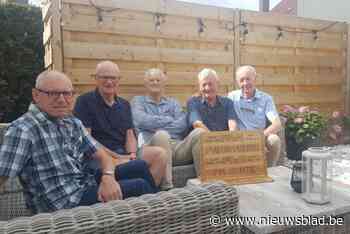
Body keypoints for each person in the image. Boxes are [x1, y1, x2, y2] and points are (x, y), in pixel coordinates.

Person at [0, 71, 158, 214]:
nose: (62, 99)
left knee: (140, 166)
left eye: (67, 93)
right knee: (139, 185)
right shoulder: (23, 130)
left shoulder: (72, 122)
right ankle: (158, 219)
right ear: (36, 95)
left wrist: (108, 177)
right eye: (53, 93)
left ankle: (154, 217)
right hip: (63, 205)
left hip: (83, 184)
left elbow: (103, 156)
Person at [73, 61, 167, 189]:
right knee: (136, 166)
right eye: (104, 77)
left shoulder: (124, 104)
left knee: (160, 155)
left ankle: (147, 196)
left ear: (118, 80)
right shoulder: (84, 101)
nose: (109, 82)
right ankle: (148, 193)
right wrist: (117, 157)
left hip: (123, 153)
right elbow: (87, 140)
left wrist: (132, 154)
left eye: (113, 78)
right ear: (96, 79)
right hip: (99, 157)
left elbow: (129, 134)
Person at [131, 68, 202, 185]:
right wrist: (169, 120)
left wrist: (155, 125)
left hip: (176, 146)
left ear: (164, 83)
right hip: (151, 148)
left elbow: (182, 125)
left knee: (199, 132)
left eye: (158, 80)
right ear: (145, 83)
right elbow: (142, 121)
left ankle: (203, 181)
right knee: (161, 135)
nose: (155, 83)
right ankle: (167, 186)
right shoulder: (138, 101)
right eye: (151, 80)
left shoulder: (173, 102)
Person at [227, 65, 282, 167]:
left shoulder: (266, 99)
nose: (245, 83)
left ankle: (270, 170)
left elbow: (277, 124)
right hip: (240, 139)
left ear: (255, 79)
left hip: (260, 137)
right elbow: (232, 123)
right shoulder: (232, 97)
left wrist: (260, 138)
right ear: (237, 82)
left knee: (274, 140)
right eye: (241, 80)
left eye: (248, 79)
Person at [186, 68, 238, 174]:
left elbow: (232, 125)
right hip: (204, 146)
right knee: (200, 133)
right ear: (199, 86)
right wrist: (216, 143)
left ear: (217, 84)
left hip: (225, 145)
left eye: (211, 84)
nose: (207, 88)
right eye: (203, 85)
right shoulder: (193, 102)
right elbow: (197, 124)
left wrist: (231, 141)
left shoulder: (228, 103)